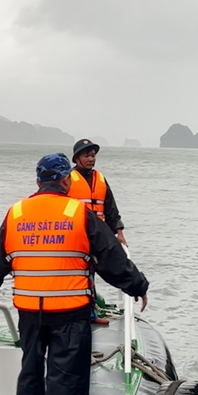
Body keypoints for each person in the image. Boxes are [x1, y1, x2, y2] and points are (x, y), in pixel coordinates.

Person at [0, 153, 149, 395]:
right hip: (70, 315)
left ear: (38, 181)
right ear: (65, 180)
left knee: (30, 376)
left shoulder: (17, 213)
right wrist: (137, 285)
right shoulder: (78, 213)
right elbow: (110, 257)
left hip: (29, 313)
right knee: (67, 383)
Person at [68, 138, 126, 325]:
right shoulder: (68, 179)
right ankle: (74, 310)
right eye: (86, 155)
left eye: (93, 155)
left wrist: (119, 232)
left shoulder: (100, 179)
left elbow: (110, 208)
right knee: (76, 274)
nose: (91, 159)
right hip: (74, 235)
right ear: (77, 159)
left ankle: (90, 313)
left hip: (97, 236)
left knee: (91, 273)